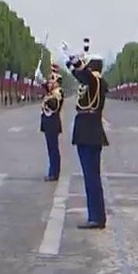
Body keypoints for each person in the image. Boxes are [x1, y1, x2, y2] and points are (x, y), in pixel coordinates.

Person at [62, 38, 108, 229]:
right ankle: (96, 215)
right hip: (88, 131)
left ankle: (96, 217)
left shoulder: (96, 80)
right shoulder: (94, 81)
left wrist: (73, 56)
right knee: (91, 176)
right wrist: (68, 61)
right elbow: (79, 75)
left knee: (91, 177)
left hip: (89, 131)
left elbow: (84, 75)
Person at [40, 67, 63, 182]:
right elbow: (43, 85)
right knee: (51, 149)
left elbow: (54, 105)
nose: (49, 83)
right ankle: (53, 171)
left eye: (52, 81)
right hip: (49, 123)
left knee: (53, 149)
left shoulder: (57, 93)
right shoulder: (52, 92)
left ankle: (54, 173)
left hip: (52, 123)